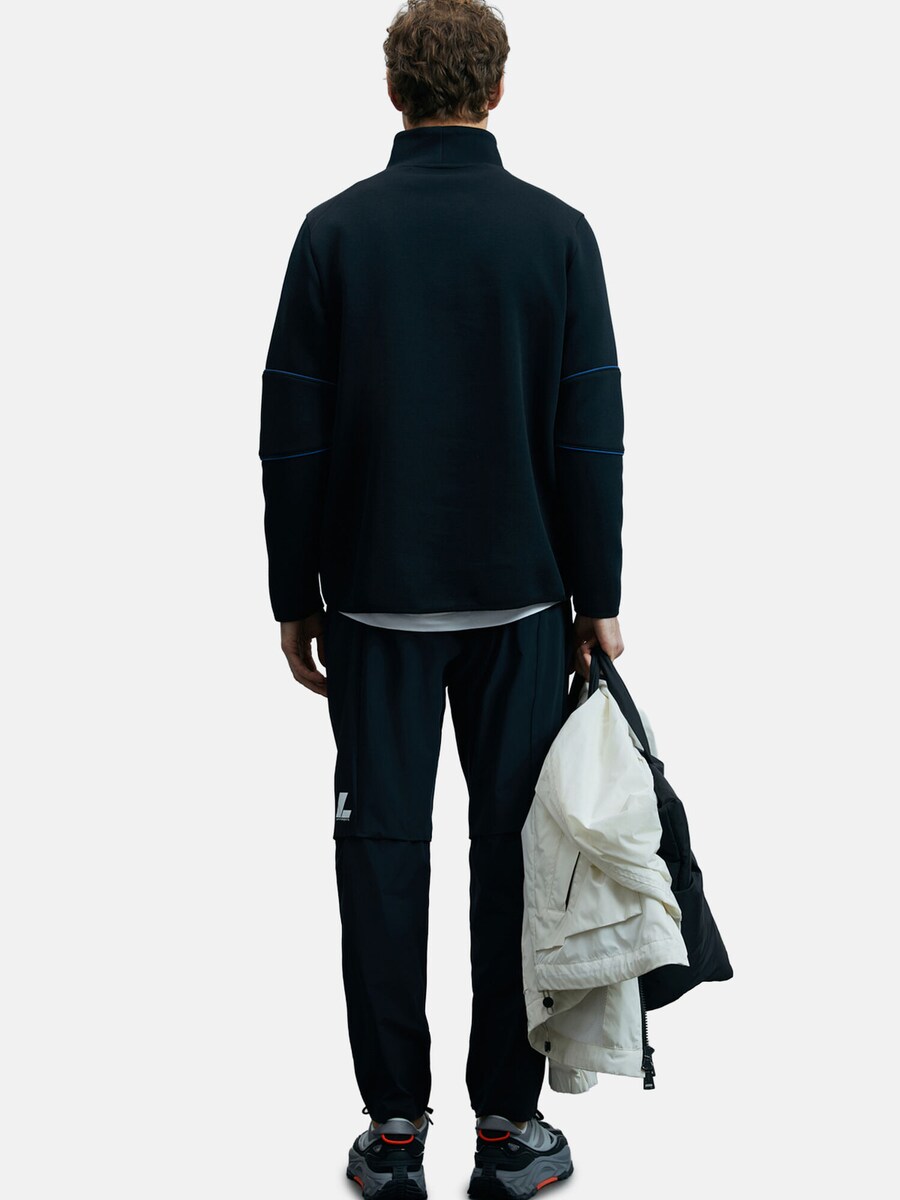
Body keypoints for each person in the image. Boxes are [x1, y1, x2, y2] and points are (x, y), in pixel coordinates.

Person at [258, 2, 625, 1195]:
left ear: (394, 90)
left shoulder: (334, 234)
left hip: (373, 605)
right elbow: (590, 435)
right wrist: (598, 596)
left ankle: (394, 1132)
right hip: (523, 604)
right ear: (498, 89)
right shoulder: (557, 233)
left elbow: (292, 436)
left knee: (380, 857)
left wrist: (294, 592)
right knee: (513, 859)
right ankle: (508, 1133)